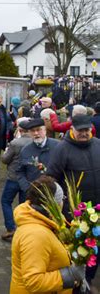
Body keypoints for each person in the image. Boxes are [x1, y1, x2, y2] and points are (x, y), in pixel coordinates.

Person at [47, 114, 100, 286]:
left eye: (87, 129)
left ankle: (89, 280)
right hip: (75, 210)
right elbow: (51, 177)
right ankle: (75, 281)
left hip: (97, 208)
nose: (85, 133)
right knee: (77, 248)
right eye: (81, 130)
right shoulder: (62, 149)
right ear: (71, 130)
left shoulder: (98, 144)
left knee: (94, 247)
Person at [10, 175, 84, 293]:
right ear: (52, 205)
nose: (63, 202)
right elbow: (34, 281)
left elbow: (51, 252)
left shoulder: (47, 221)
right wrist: (69, 276)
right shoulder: (35, 235)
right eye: (61, 199)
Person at [0, 118, 32, 241]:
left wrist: (7, 151)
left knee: (6, 201)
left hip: (13, 177)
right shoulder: (33, 142)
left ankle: (11, 227)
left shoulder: (15, 143)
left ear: (20, 129)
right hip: (27, 179)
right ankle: (23, 228)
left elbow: (5, 159)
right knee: (23, 204)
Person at [16, 118, 59, 192]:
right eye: (32, 131)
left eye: (39, 130)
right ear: (29, 133)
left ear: (45, 130)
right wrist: (26, 188)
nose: (36, 133)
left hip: (54, 192)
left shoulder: (58, 146)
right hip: (32, 193)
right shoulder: (25, 150)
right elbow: (20, 171)